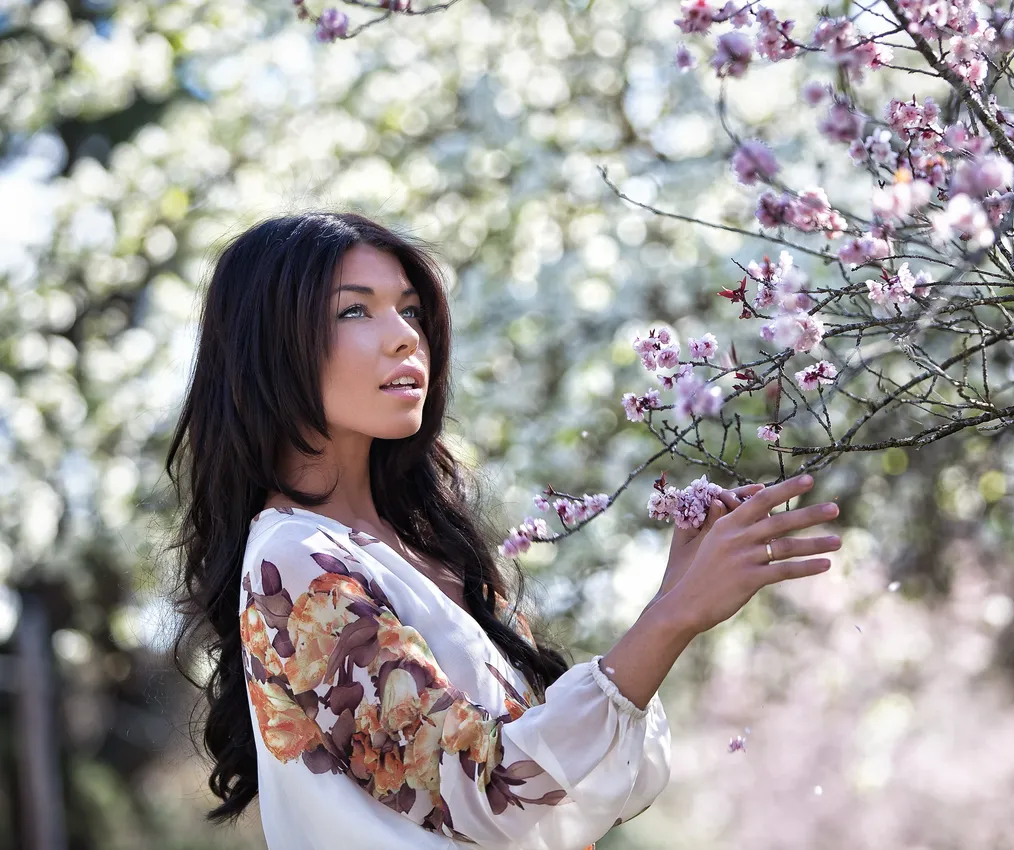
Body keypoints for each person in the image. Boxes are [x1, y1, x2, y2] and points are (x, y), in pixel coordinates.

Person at [165, 210, 843, 850]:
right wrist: (669, 619)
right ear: (269, 348)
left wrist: (671, 598)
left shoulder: (419, 552)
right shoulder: (295, 556)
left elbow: (574, 794)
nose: (406, 335)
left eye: (409, 309)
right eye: (354, 310)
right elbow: (485, 789)